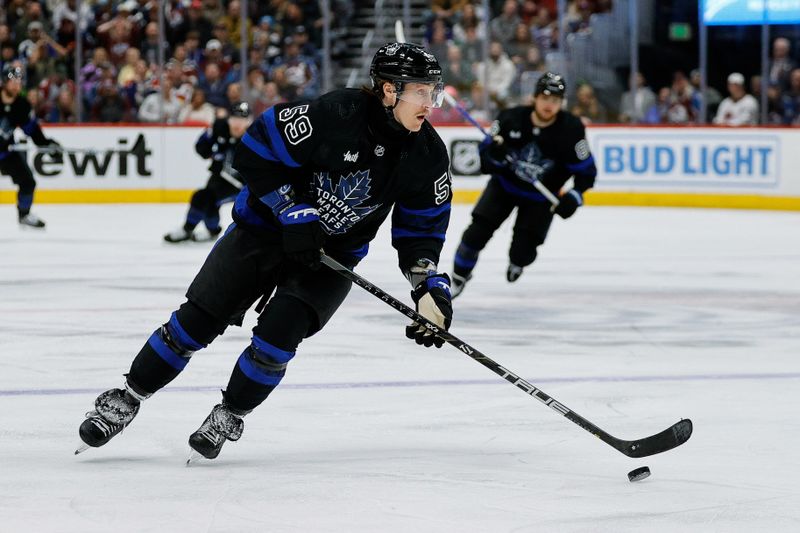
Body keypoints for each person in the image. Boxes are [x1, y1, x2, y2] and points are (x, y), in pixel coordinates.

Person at [76, 43, 454, 461]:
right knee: (193, 325)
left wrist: (428, 285)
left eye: (433, 92)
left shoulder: (428, 156)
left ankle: (230, 413)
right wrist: (293, 209)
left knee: (278, 341)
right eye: (421, 92)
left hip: (329, 259)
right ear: (388, 90)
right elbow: (254, 150)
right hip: (262, 233)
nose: (430, 104)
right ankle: (127, 397)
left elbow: (421, 233)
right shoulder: (335, 114)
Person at [451, 72, 597, 297]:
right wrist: (496, 155)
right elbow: (486, 160)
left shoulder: (571, 129)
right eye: (546, 98)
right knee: (476, 233)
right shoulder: (510, 118)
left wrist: (574, 196)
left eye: (556, 101)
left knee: (523, 252)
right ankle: (460, 275)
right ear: (535, 98)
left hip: (540, 198)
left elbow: (587, 172)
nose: (550, 105)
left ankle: (518, 262)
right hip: (504, 187)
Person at [164, 101, 253, 243]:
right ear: (228, 119)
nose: (237, 125)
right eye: (234, 119)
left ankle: (191, 229)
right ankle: (211, 231)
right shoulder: (219, 127)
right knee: (204, 198)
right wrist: (210, 153)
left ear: (249, 122)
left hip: (242, 184)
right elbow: (201, 145)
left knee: (207, 197)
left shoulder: (254, 137)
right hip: (219, 176)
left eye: (242, 120)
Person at [0, 64, 61, 228]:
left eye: (19, 82)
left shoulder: (22, 105)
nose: (16, 85)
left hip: (4, 153)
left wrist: (47, 145)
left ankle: (24, 215)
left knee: (28, 182)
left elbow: (32, 130)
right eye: (13, 81)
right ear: (4, 82)